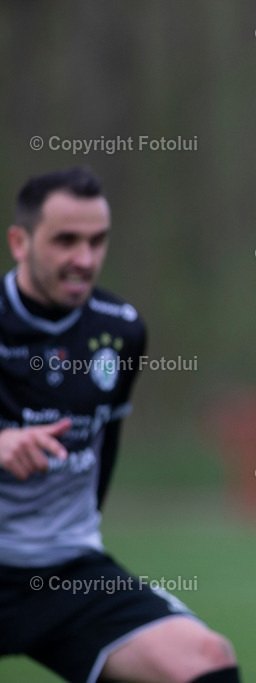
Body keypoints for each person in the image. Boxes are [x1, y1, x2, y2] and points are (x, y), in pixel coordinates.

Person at [0, 167, 241, 682]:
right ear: (19, 242)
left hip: (67, 572)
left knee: (206, 662)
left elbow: (104, 451)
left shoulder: (120, 330)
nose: (83, 260)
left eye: (97, 241)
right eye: (66, 240)